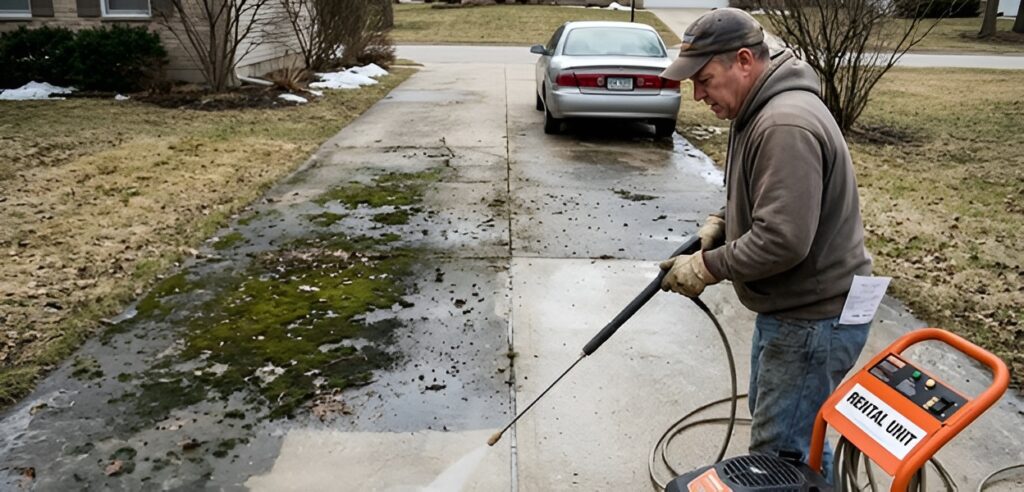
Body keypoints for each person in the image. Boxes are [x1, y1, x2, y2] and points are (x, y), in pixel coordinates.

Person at [656, 8, 873, 479]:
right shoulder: (758, 108)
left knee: (778, 459)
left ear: (743, 61)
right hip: (799, 314)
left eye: (704, 80)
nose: (698, 95)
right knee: (796, 443)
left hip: (813, 320)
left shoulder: (782, 124)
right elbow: (769, 200)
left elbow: (782, 240)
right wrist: (721, 222)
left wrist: (707, 266)